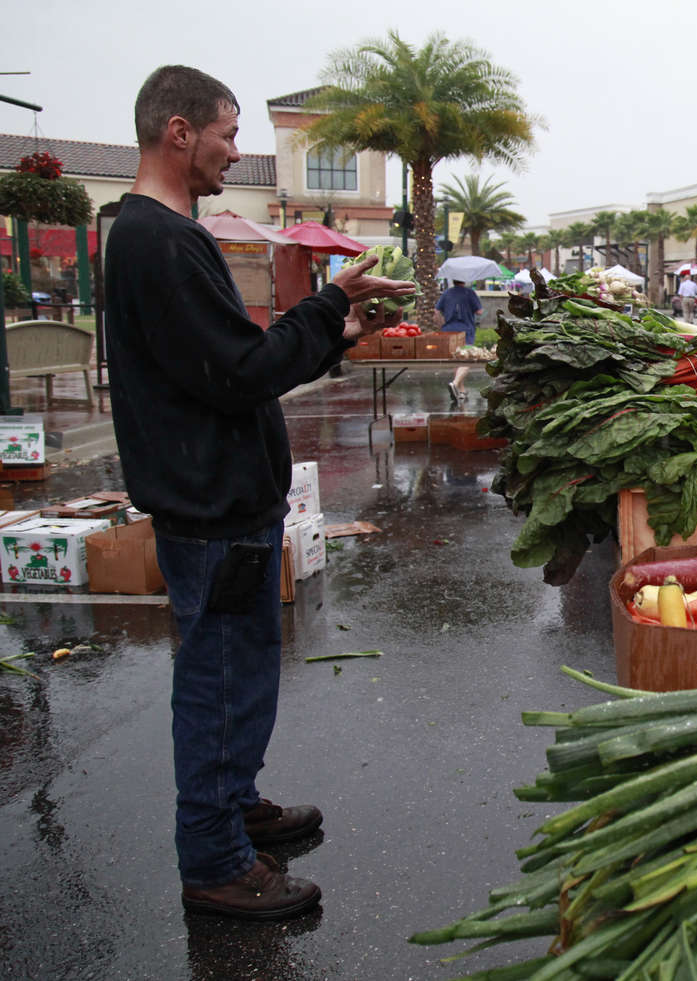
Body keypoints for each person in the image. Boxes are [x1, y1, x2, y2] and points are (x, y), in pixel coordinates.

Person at [104, 65, 415, 921]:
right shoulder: (159, 240)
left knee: (242, 673)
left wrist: (335, 327)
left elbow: (234, 368)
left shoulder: (164, 237)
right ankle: (212, 860)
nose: (235, 153)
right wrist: (329, 305)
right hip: (210, 512)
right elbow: (238, 372)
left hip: (223, 503)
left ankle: (233, 811)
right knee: (216, 682)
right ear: (177, 131)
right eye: (228, 133)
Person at [437, 279, 483, 402]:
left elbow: (437, 311)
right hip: (466, 330)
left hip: (449, 330)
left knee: (457, 359)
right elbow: (479, 311)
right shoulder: (469, 293)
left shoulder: (446, 293)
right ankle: (455, 383)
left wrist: (442, 324)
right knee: (467, 359)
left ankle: (460, 390)